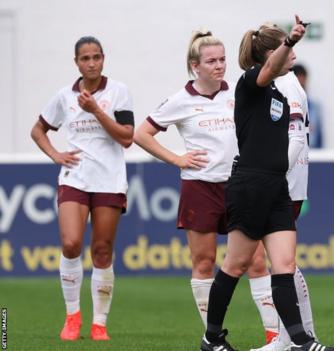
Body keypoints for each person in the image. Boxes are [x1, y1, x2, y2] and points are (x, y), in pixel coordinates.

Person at [199, 16, 334, 351]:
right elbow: (266, 72)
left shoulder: (280, 92)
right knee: (235, 265)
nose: (291, 55)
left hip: (276, 186)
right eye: (282, 50)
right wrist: (289, 41)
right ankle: (212, 337)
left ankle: (301, 341)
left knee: (285, 265)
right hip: (250, 184)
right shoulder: (250, 82)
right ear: (270, 55)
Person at [133, 29, 240, 330]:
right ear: (196, 66)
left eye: (222, 59)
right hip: (200, 186)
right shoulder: (180, 100)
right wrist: (176, 159)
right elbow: (141, 134)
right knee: (204, 262)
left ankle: (274, 335)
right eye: (211, 61)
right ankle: (213, 334)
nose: (219, 66)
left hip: (238, 185)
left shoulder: (237, 92)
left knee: (255, 260)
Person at [30, 36, 134, 341]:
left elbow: (126, 137)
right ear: (76, 62)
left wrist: (96, 110)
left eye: (96, 57)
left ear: (103, 59)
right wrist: (55, 154)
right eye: (85, 58)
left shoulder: (119, 92)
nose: (91, 63)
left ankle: (99, 323)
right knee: (71, 243)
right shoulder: (64, 96)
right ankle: (72, 317)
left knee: (102, 251)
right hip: (74, 177)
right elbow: (38, 130)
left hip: (109, 180)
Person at [250, 59, 317, 351]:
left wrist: (274, 174)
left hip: (284, 183)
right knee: (282, 262)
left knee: (282, 262)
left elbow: (296, 137)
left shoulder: (287, 84)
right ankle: (292, 336)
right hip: (283, 180)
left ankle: (297, 336)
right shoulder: (280, 83)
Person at [292, 64, 323, 148]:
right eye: (298, 87)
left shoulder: (315, 108)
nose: (301, 90)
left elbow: (319, 138)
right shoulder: (285, 107)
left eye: (303, 86)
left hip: (312, 155)